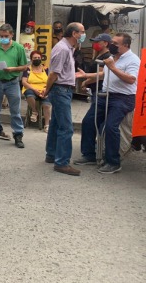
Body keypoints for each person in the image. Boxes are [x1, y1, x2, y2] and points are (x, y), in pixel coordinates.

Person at [74, 33, 139, 174]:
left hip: (123, 98)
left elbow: (131, 79)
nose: (112, 45)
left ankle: (113, 162)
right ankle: (89, 154)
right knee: (88, 121)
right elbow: (104, 74)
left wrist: (113, 67)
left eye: (116, 43)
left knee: (110, 126)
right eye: (112, 42)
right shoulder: (113, 57)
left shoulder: (133, 60)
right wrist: (87, 76)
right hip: (106, 95)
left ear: (125, 45)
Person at [43, 22, 86, 176]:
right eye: (82, 32)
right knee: (66, 128)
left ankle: (52, 154)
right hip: (60, 90)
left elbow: (61, 71)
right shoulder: (62, 48)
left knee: (56, 123)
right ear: (74, 34)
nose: (83, 34)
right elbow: (53, 74)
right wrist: (47, 90)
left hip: (63, 89)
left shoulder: (68, 48)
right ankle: (61, 162)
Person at [21, 50, 52, 132]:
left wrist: (46, 89)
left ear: (41, 58)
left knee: (46, 105)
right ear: (31, 59)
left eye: (38, 57)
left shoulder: (46, 69)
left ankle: (47, 124)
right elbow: (24, 82)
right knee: (29, 95)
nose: (37, 59)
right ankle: (35, 111)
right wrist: (34, 90)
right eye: (35, 58)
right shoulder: (27, 69)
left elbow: (50, 81)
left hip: (44, 89)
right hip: (31, 88)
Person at [82, 33, 112, 98]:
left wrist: (85, 82)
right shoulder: (98, 55)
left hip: (99, 89)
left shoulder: (106, 56)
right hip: (93, 88)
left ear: (105, 43)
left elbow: (99, 75)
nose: (95, 44)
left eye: (97, 42)